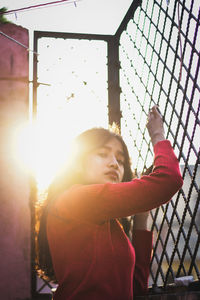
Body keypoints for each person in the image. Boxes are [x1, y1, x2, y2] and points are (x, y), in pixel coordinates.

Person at [36, 106, 183, 300]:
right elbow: (168, 180)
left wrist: (141, 219)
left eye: (120, 160)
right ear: (78, 161)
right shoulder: (76, 199)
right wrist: (158, 135)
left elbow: (135, 289)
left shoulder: (108, 222)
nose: (114, 163)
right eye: (102, 154)